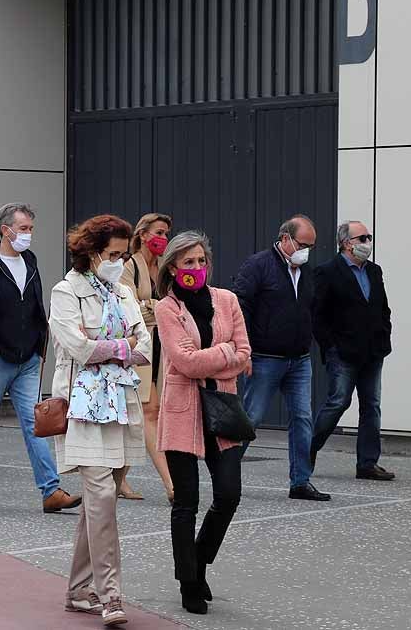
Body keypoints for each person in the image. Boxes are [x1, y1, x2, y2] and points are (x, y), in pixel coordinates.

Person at [50, 215, 149, 626]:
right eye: (112, 254)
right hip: (82, 407)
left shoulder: (124, 292)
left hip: (121, 404)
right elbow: (76, 346)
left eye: (123, 254)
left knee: (98, 502)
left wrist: (109, 348)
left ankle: (77, 590)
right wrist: (119, 346)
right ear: (90, 252)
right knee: (103, 497)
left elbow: (145, 345)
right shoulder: (65, 291)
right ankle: (110, 596)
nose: (118, 261)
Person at [0, 203, 81, 513]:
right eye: (23, 228)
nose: (28, 234)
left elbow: (35, 303)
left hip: (27, 360)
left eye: (30, 229)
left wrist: (40, 344)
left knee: (35, 424)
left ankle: (51, 490)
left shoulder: (30, 261)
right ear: (5, 229)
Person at [155, 231, 251, 615]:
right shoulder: (167, 308)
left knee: (229, 494)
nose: (196, 268)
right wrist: (225, 353)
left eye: (200, 261)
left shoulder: (227, 300)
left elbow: (244, 353)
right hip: (183, 410)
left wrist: (224, 354)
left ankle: (198, 559)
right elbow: (184, 361)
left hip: (222, 407)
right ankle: (188, 581)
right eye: (188, 262)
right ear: (174, 268)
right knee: (186, 501)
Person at [232, 216, 330, 502]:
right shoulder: (259, 265)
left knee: (302, 418)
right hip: (264, 357)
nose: (307, 251)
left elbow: (312, 310)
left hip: (299, 359)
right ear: (285, 238)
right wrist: (244, 349)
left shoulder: (306, 272)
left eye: (311, 246)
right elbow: (240, 307)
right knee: (251, 418)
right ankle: (225, 477)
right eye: (303, 244)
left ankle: (300, 481)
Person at [311, 221, 395, 481]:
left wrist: (384, 333)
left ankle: (367, 464)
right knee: (338, 402)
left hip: (373, 351)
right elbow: (317, 314)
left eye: (368, 237)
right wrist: (330, 346)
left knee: (372, 405)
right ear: (347, 243)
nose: (367, 243)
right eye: (362, 238)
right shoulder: (327, 272)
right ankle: (307, 450)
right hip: (343, 353)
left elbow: (383, 309)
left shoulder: (374, 271)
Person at [120, 212, 175, 503]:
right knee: (150, 412)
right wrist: (159, 307)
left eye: (166, 233)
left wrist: (153, 306)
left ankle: (118, 478)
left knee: (140, 417)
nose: (163, 239)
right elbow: (130, 308)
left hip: (162, 348)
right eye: (158, 232)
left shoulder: (166, 268)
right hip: (140, 348)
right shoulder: (130, 266)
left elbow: (175, 304)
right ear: (142, 234)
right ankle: (171, 484)